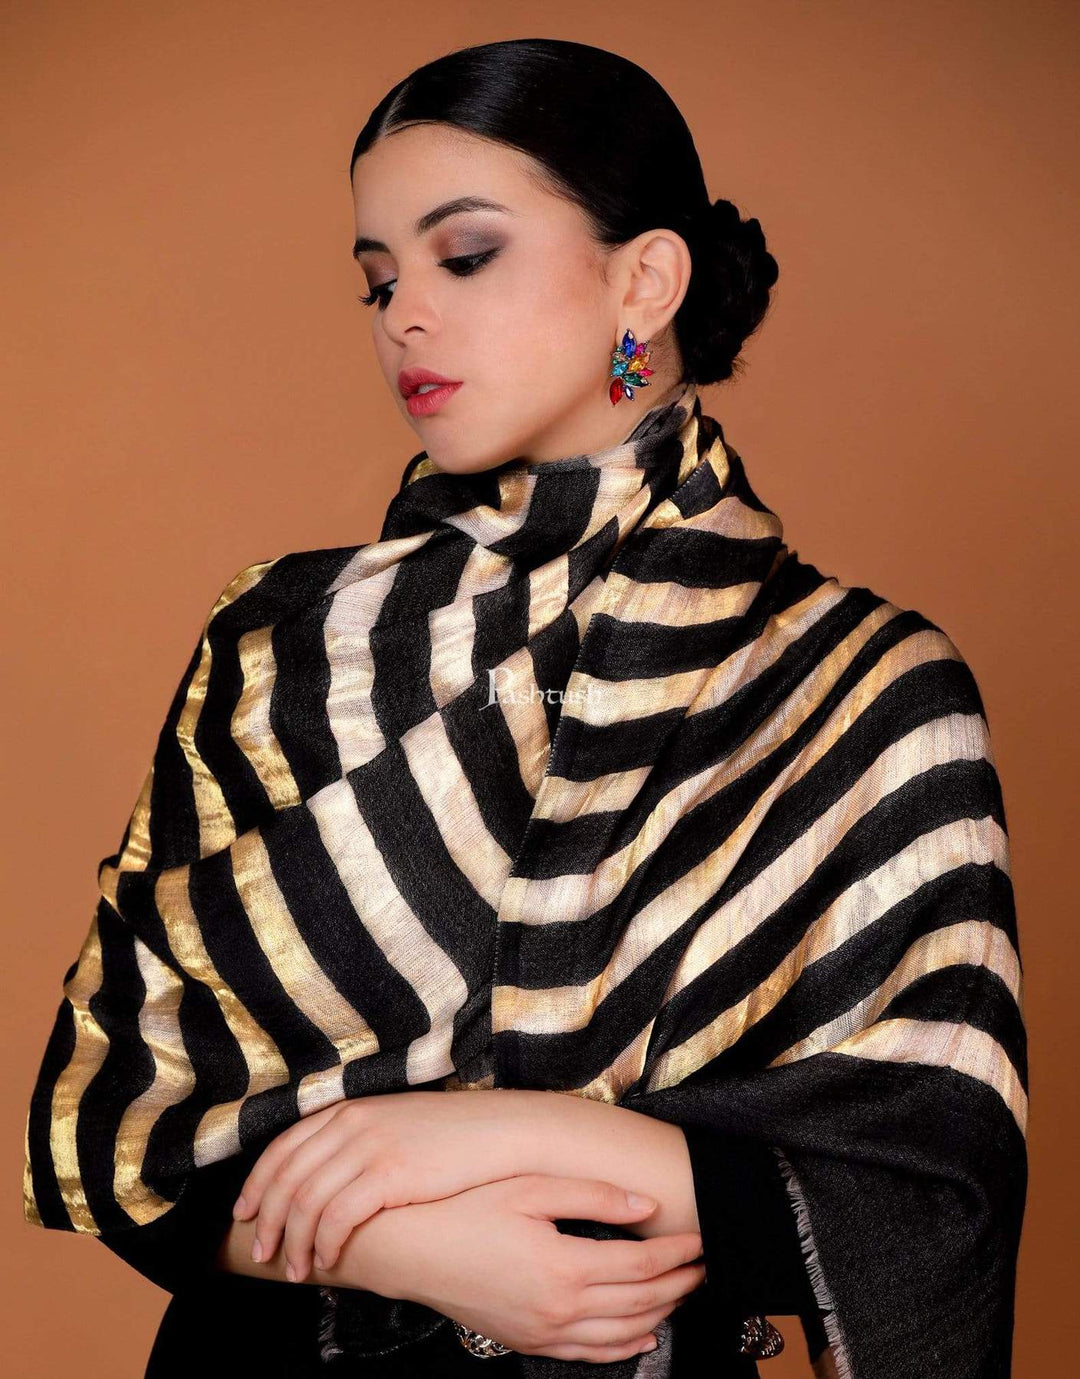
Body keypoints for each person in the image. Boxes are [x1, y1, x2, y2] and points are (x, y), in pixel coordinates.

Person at [22, 37, 1026, 1379]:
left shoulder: (862, 683)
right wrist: (413, 1249)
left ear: (645, 280)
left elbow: (927, 1183)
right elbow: (125, 1136)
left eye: (465, 255)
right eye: (379, 279)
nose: (403, 317)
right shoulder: (284, 647)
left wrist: (508, 1132)